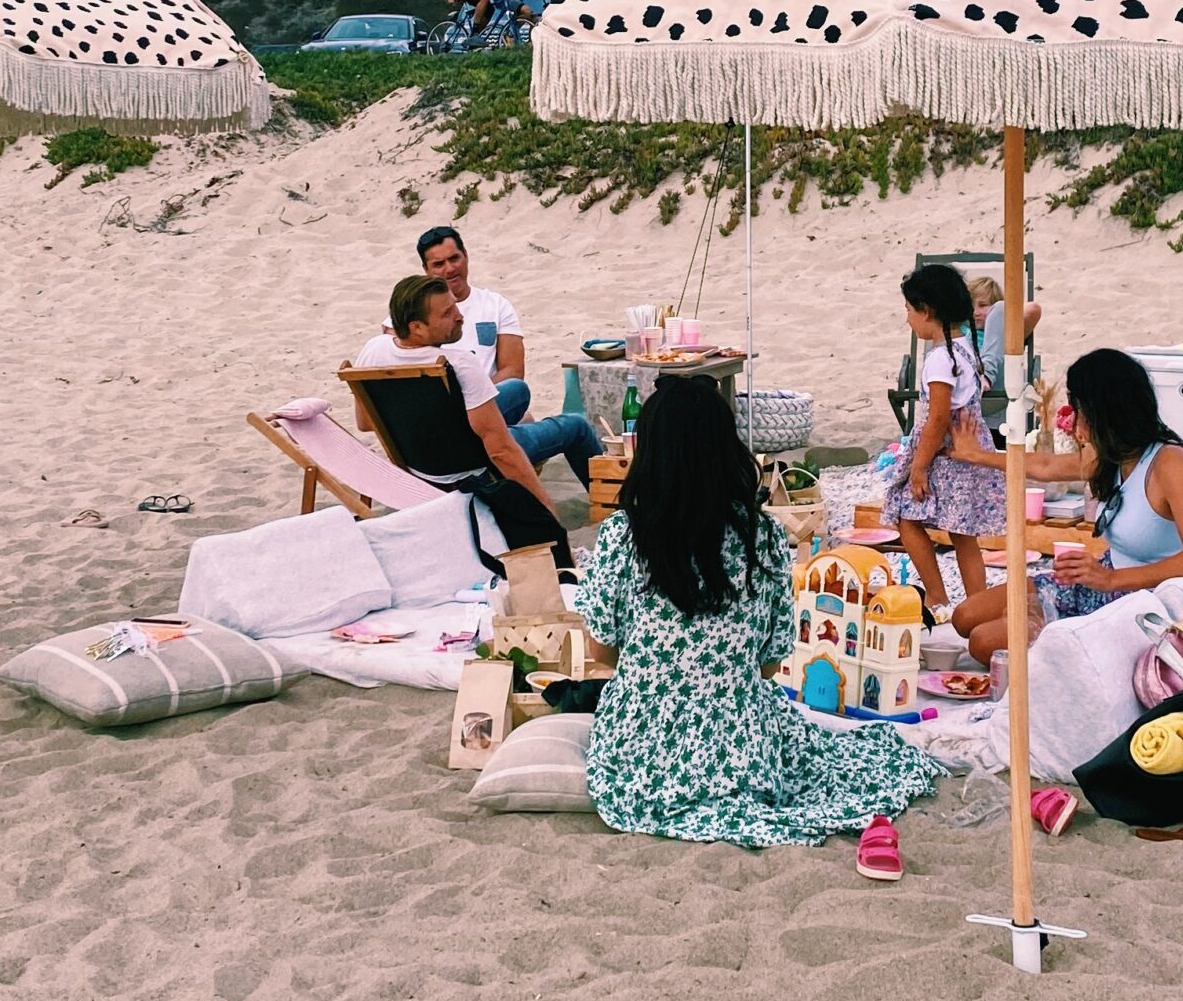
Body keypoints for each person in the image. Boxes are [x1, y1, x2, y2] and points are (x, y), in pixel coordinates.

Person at [579, 373, 943, 864]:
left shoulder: (622, 535)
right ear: (724, 447)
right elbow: (771, 664)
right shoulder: (762, 536)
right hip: (743, 751)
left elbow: (601, 649)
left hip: (637, 752)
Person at [949, 347, 1183, 667]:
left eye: (1078, 410)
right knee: (964, 617)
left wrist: (1110, 579)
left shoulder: (1169, 463)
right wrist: (977, 455)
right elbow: (1047, 465)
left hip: (1137, 603)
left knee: (984, 643)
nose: (1073, 422)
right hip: (1096, 583)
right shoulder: (1114, 455)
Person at [354, 274, 575, 568]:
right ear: (416, 327)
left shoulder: (374, 350)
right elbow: (501, 452)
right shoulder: (458, 364)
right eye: (447, 313)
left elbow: (366, 423)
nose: (460, 317)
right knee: (575, 426)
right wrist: (547, 510)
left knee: (516, 393)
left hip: (419, 470)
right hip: (471, 477)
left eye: (455, 306)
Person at [413, 223, 603, 488]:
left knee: (516, 391)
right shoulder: (421, 321)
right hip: (468, 449)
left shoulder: (397, 332)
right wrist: (471, 400)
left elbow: (513, 370)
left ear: (466, 256)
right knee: (567, 422)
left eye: (454, 258)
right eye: (438, 264)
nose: (449, 269)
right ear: (426, 270)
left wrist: (477, 400)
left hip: (424, 449)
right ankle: (622, 509)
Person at [882, 264, 1005, 629]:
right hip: (967, 452)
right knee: (964, 535)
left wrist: (919, 467)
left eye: (908, 310)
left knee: (905, 516)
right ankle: (978, 607)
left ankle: (936, 594)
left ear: (926, 310)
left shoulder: (940, 358)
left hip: (946, 454)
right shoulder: (966, 348)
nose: (907, 320)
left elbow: (937, 419)